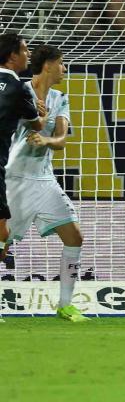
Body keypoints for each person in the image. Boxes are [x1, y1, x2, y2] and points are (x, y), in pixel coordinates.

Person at [2, 43, 82, 321]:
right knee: (2, 244)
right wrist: (28, 114)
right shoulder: (17, 90)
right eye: (61, 63)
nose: (64, 68)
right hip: (15, 178)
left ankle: (65, 305)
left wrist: (47, 140)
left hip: (44, 179)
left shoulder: (60, 98)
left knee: (75, 237)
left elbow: (61, 140)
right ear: (48, 64)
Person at [0, 34, 46, 284]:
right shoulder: (19, 88)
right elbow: (37, 125)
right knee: (1, 232)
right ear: (12, 56)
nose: (29, 54)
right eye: (25, 50)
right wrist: (42, 110)